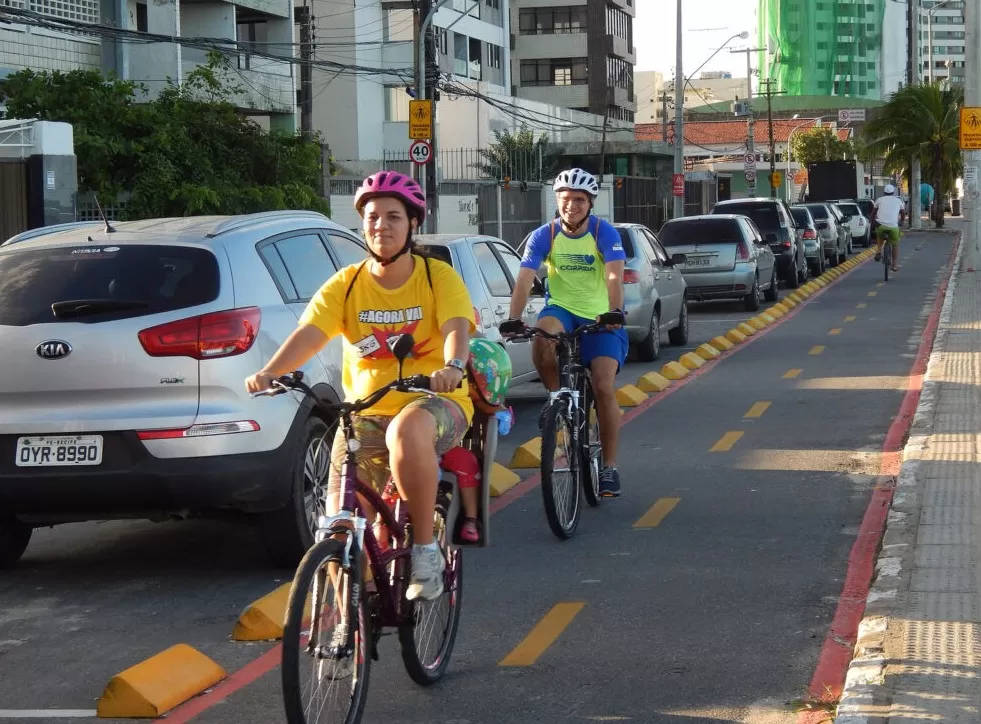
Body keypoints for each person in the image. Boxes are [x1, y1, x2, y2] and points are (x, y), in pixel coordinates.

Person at [245, 170, 476, 601]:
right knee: (339, 525)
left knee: (406, 432)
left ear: (412, 225)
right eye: (372, 217)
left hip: (435, 400)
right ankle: (349, 617)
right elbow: (310, 334)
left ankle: (425, 549)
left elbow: (456, 327)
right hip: (365, 412)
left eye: (393, 217)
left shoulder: (435, 277)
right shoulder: (347, 283)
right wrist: (270, 371)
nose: (381, 226)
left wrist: (454, 364)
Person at [501, 168, 627, 497]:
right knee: (542, 335)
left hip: (601, 316)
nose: (572, 205)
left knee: (602, 386)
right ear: (557, 200)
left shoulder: (605, 233)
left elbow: (614, 277)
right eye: (566, 198)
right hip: (562, 310)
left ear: (590, 204)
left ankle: (610, 467)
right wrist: (514, 317)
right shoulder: (545, 234)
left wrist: (614, 312)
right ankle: (557, 397)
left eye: (580, 200)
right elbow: (526, 278)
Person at [872, 184, 906, 272]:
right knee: (895, 244)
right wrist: (901, 221)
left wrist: (872, 222)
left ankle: (879, 251)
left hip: (881, 225)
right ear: (893, 193)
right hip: (893, 227)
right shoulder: (898, 200)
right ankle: (894, 265)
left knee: (879, 235)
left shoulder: (879, 200)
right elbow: (903, 213)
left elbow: (873, 213)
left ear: (884, 192)